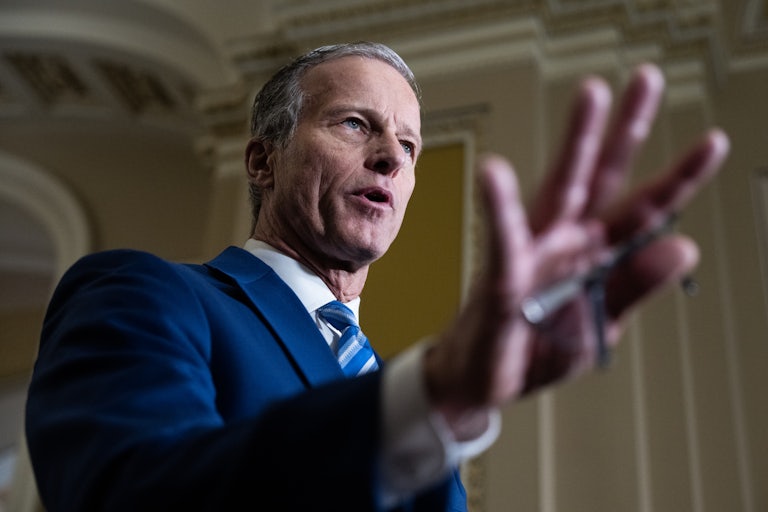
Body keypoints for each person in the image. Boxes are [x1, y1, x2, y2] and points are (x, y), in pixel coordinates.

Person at [24, 42, 729, 511]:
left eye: (410, 144)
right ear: (262, 162)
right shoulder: (145, 294)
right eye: (357, 125)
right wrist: (434, 395)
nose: (393, 157)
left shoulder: (411, 395)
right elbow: (129, 496)